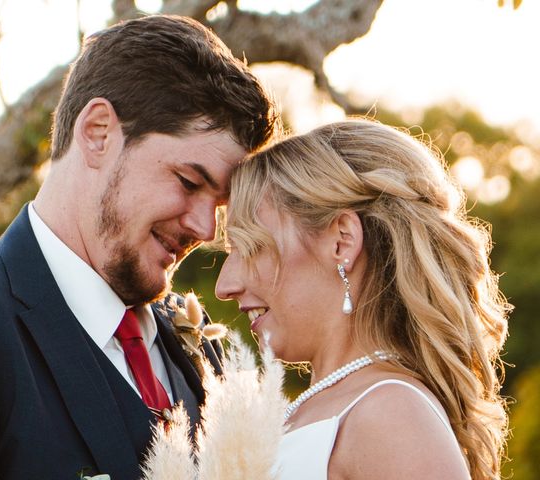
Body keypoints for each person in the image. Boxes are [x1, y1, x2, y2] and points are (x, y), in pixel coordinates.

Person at [0, 15, 277, 479]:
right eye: (188, 181)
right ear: (98, 132)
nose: (204, 228)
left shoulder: (198, 345)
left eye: (218, 205)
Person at [215, 119, 509, 480]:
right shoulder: (332, 408)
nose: (224, 285)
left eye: (251, 247)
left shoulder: (391, 414)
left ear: (341, 242)